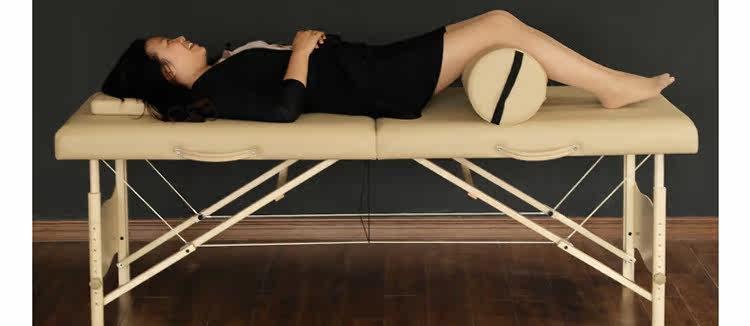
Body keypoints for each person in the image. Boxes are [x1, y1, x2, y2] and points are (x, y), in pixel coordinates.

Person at [100, 10, 675, 123]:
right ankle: (612, 87)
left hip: (377, 68)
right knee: (500, 22)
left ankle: (610, 84)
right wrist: (298, 51)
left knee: (499, 24)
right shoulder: (218, 89)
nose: (181, 38)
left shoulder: (221, 72)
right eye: (168, 45)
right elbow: (284, 109)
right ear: (166, 73)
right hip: (381, 83)